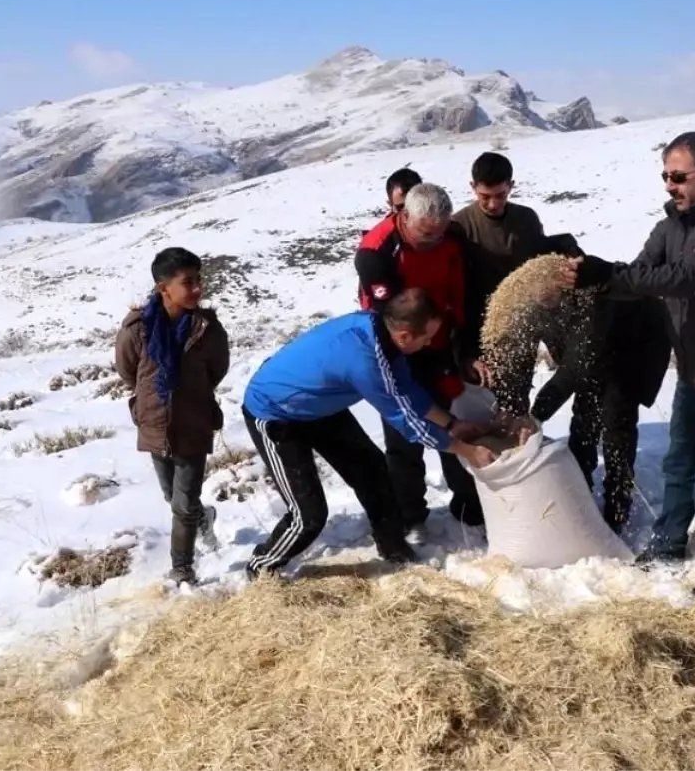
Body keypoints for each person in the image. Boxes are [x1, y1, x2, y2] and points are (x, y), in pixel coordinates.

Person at [561, 131, 695, 598]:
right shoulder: (670, 225)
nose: (669, 186)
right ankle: (667, 545)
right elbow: (641, 276)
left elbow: (688, 278)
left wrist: (613, 273)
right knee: (679, 467)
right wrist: (595, 277)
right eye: (665, 176)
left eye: (678, 177)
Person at [240, 288, 498, 580]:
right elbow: (408, 423)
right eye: (426, 336)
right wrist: (468, 451)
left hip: (320, 406)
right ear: (404, 335)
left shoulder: (384, 335)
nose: (429, 343)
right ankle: (262, 568)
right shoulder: (365, 361)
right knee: (308, 516)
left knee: (373, 471)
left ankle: (394, 550)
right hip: (276, 412)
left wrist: (452, 424)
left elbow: (407, 391)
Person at [355, 183, 484, 532]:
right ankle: (410, 515)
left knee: (452, 422)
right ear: (405, 216)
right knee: (404, 437)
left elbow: (465, 292)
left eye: (439, 234)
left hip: (440, 345)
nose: (433, 241)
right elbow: (388, 315)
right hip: (398, 351)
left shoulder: (451, 239)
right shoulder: (376, 251)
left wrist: (463, 345)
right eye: (426, 235)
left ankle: (469, 507)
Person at [114, 247, 230, 586]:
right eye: (188, 282)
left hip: (193, 423)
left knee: (182, 503)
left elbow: (216, 370)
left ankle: (182, 568)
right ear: (163, 287)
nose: (197, 289)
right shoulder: (137, 328)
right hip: (154, 423)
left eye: (199, 280)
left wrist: (190, 394)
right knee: (173, 496)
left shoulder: (207, 329)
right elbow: (127, 370)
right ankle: (203, 517)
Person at [529, 291, 671, 534]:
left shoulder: (591, 299)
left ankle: (618, 507)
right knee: (584, 422)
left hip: (634, 346)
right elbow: (571, 360)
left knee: (616, 423)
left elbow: (574, 368)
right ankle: (578, 497)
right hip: (594, 352)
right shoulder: (535, 305)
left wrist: (534, 416)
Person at [451, 150, 578, 411]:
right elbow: (454, 292)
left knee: (517, 403)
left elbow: (539, 263)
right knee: (484, 410)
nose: (493, 204)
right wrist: (465, 352)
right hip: (479, 334)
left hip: (522, 328)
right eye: (485, 197)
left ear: (511, 186)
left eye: (501, 195)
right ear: (473, 187)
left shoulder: (526, 220)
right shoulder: (459, 227)